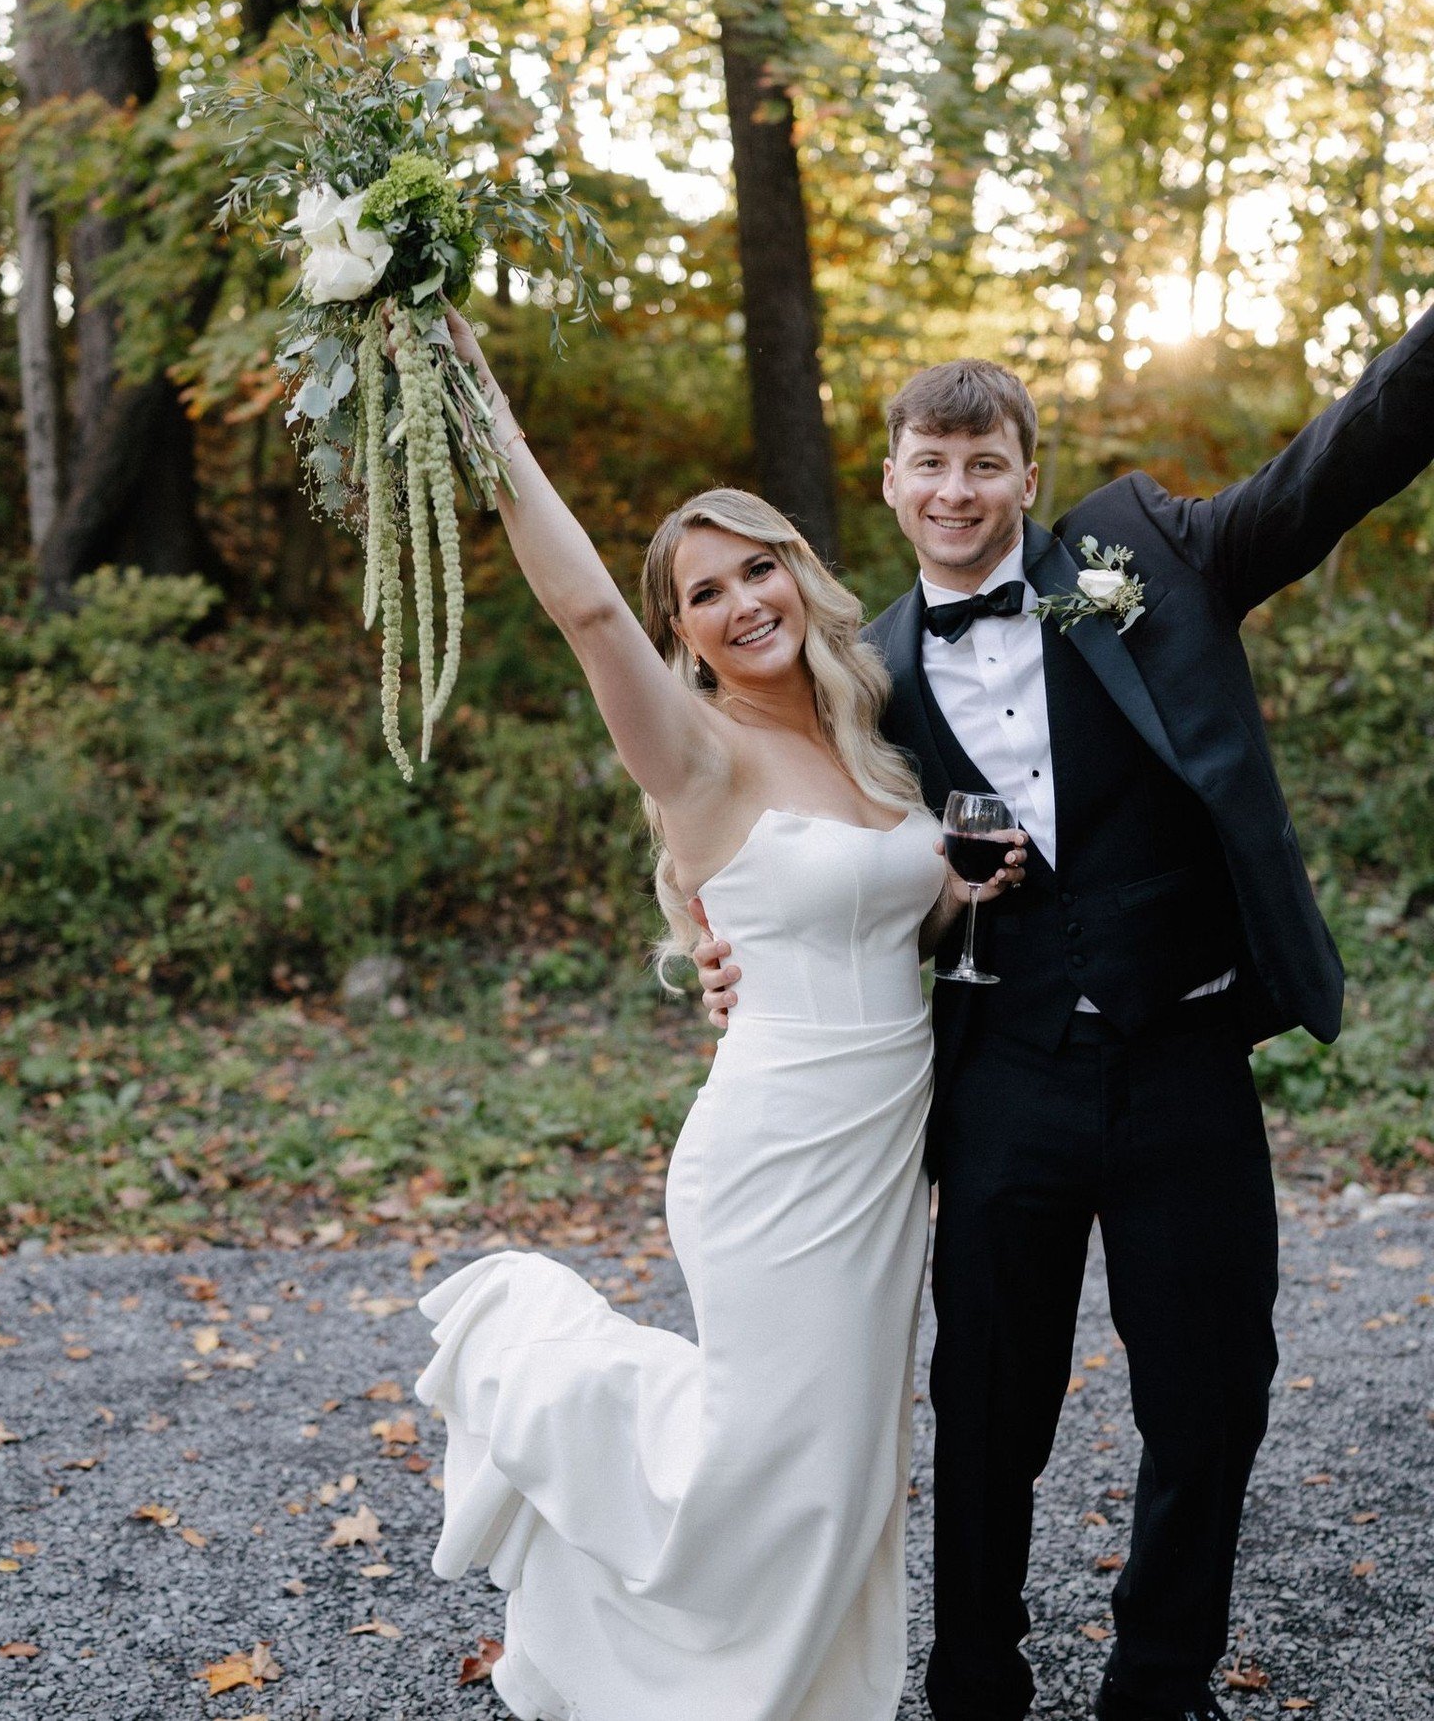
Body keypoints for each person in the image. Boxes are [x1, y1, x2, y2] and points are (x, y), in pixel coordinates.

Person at [697, 309, 1434, 1721]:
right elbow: (750, 820)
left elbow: (1339, 461)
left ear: (1027, 476)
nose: (958, 491)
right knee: (985, 1411)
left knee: (1212, 1399)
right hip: (1001, 1077)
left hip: (1185, 1057)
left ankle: (1160, 1685)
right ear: (895, 480)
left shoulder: (1146, 557)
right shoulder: (866, 681)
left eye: (986, 462)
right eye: (932, 464)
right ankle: (977, 1684)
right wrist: (723, 954)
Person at [414, 308, 1027, 1721]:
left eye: (759, 566)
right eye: (704, 592)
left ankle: (812, 1694)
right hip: (773, 1149)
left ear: (802, 574)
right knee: (763, 1450)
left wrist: (963, 890)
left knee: (854, 1461)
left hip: (884, 1145)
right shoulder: (698, 754)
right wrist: (485, 417)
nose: (741, 600)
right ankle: (533, 1375)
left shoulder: (866, 736)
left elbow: (894, 918)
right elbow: (579, 609)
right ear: (681, 629)